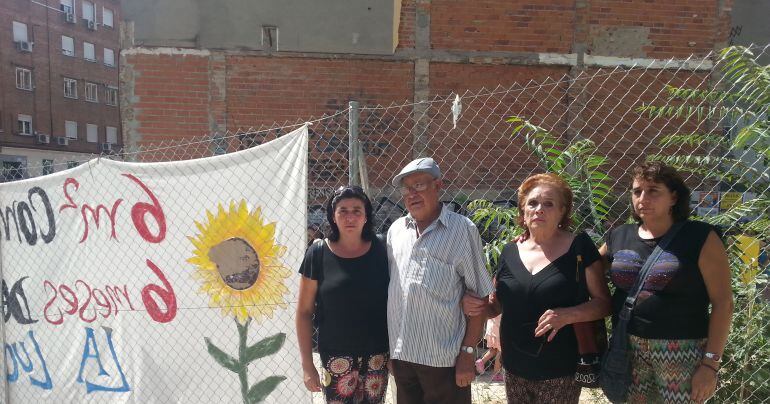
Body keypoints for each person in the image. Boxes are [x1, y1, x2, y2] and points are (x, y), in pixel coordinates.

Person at [463, 173, 611, 404]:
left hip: (560, 367)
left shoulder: (579, 248)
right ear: (523, 210)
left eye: (548, 204)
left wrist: (567, 315)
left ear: (562, 211)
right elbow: (495, 306)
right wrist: (478, 305)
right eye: (532, 203)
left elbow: (604, 303)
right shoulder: (510, 252)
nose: (539, 209)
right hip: (514, 364)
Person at [599, 162, 734, 404]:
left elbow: (723, 302)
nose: (643, 198)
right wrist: (534, 239)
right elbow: (584, 268)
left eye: (653, 190)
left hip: (682, 352)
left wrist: (711, 364)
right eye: (637, 191)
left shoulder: (700, 237)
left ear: (673, 197)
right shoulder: (620, 235)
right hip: (628, 347)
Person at [387, 157, 494, 404]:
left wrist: (468, 353)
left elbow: (479, 298)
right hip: (403, 358)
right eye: (406, 188)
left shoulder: (462, 230)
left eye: (420, 186)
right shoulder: (396, 231)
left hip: (444, 360)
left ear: (438, 185)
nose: (412, 194)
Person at [296, 186, 390, 404]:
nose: (350, 217)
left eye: (357, 210)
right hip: (336, 358)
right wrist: (307, 365)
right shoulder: (318, 253)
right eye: (343, 210)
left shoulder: (383, 249)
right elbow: (303, 312)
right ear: (333, 216)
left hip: (377, 356)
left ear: (366, 216)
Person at [475, 314, 504, 382]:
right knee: (500, 351)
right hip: (498, 329)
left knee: (493, 350)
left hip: (491, 328)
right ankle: (496, 374)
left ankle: (481, 361)